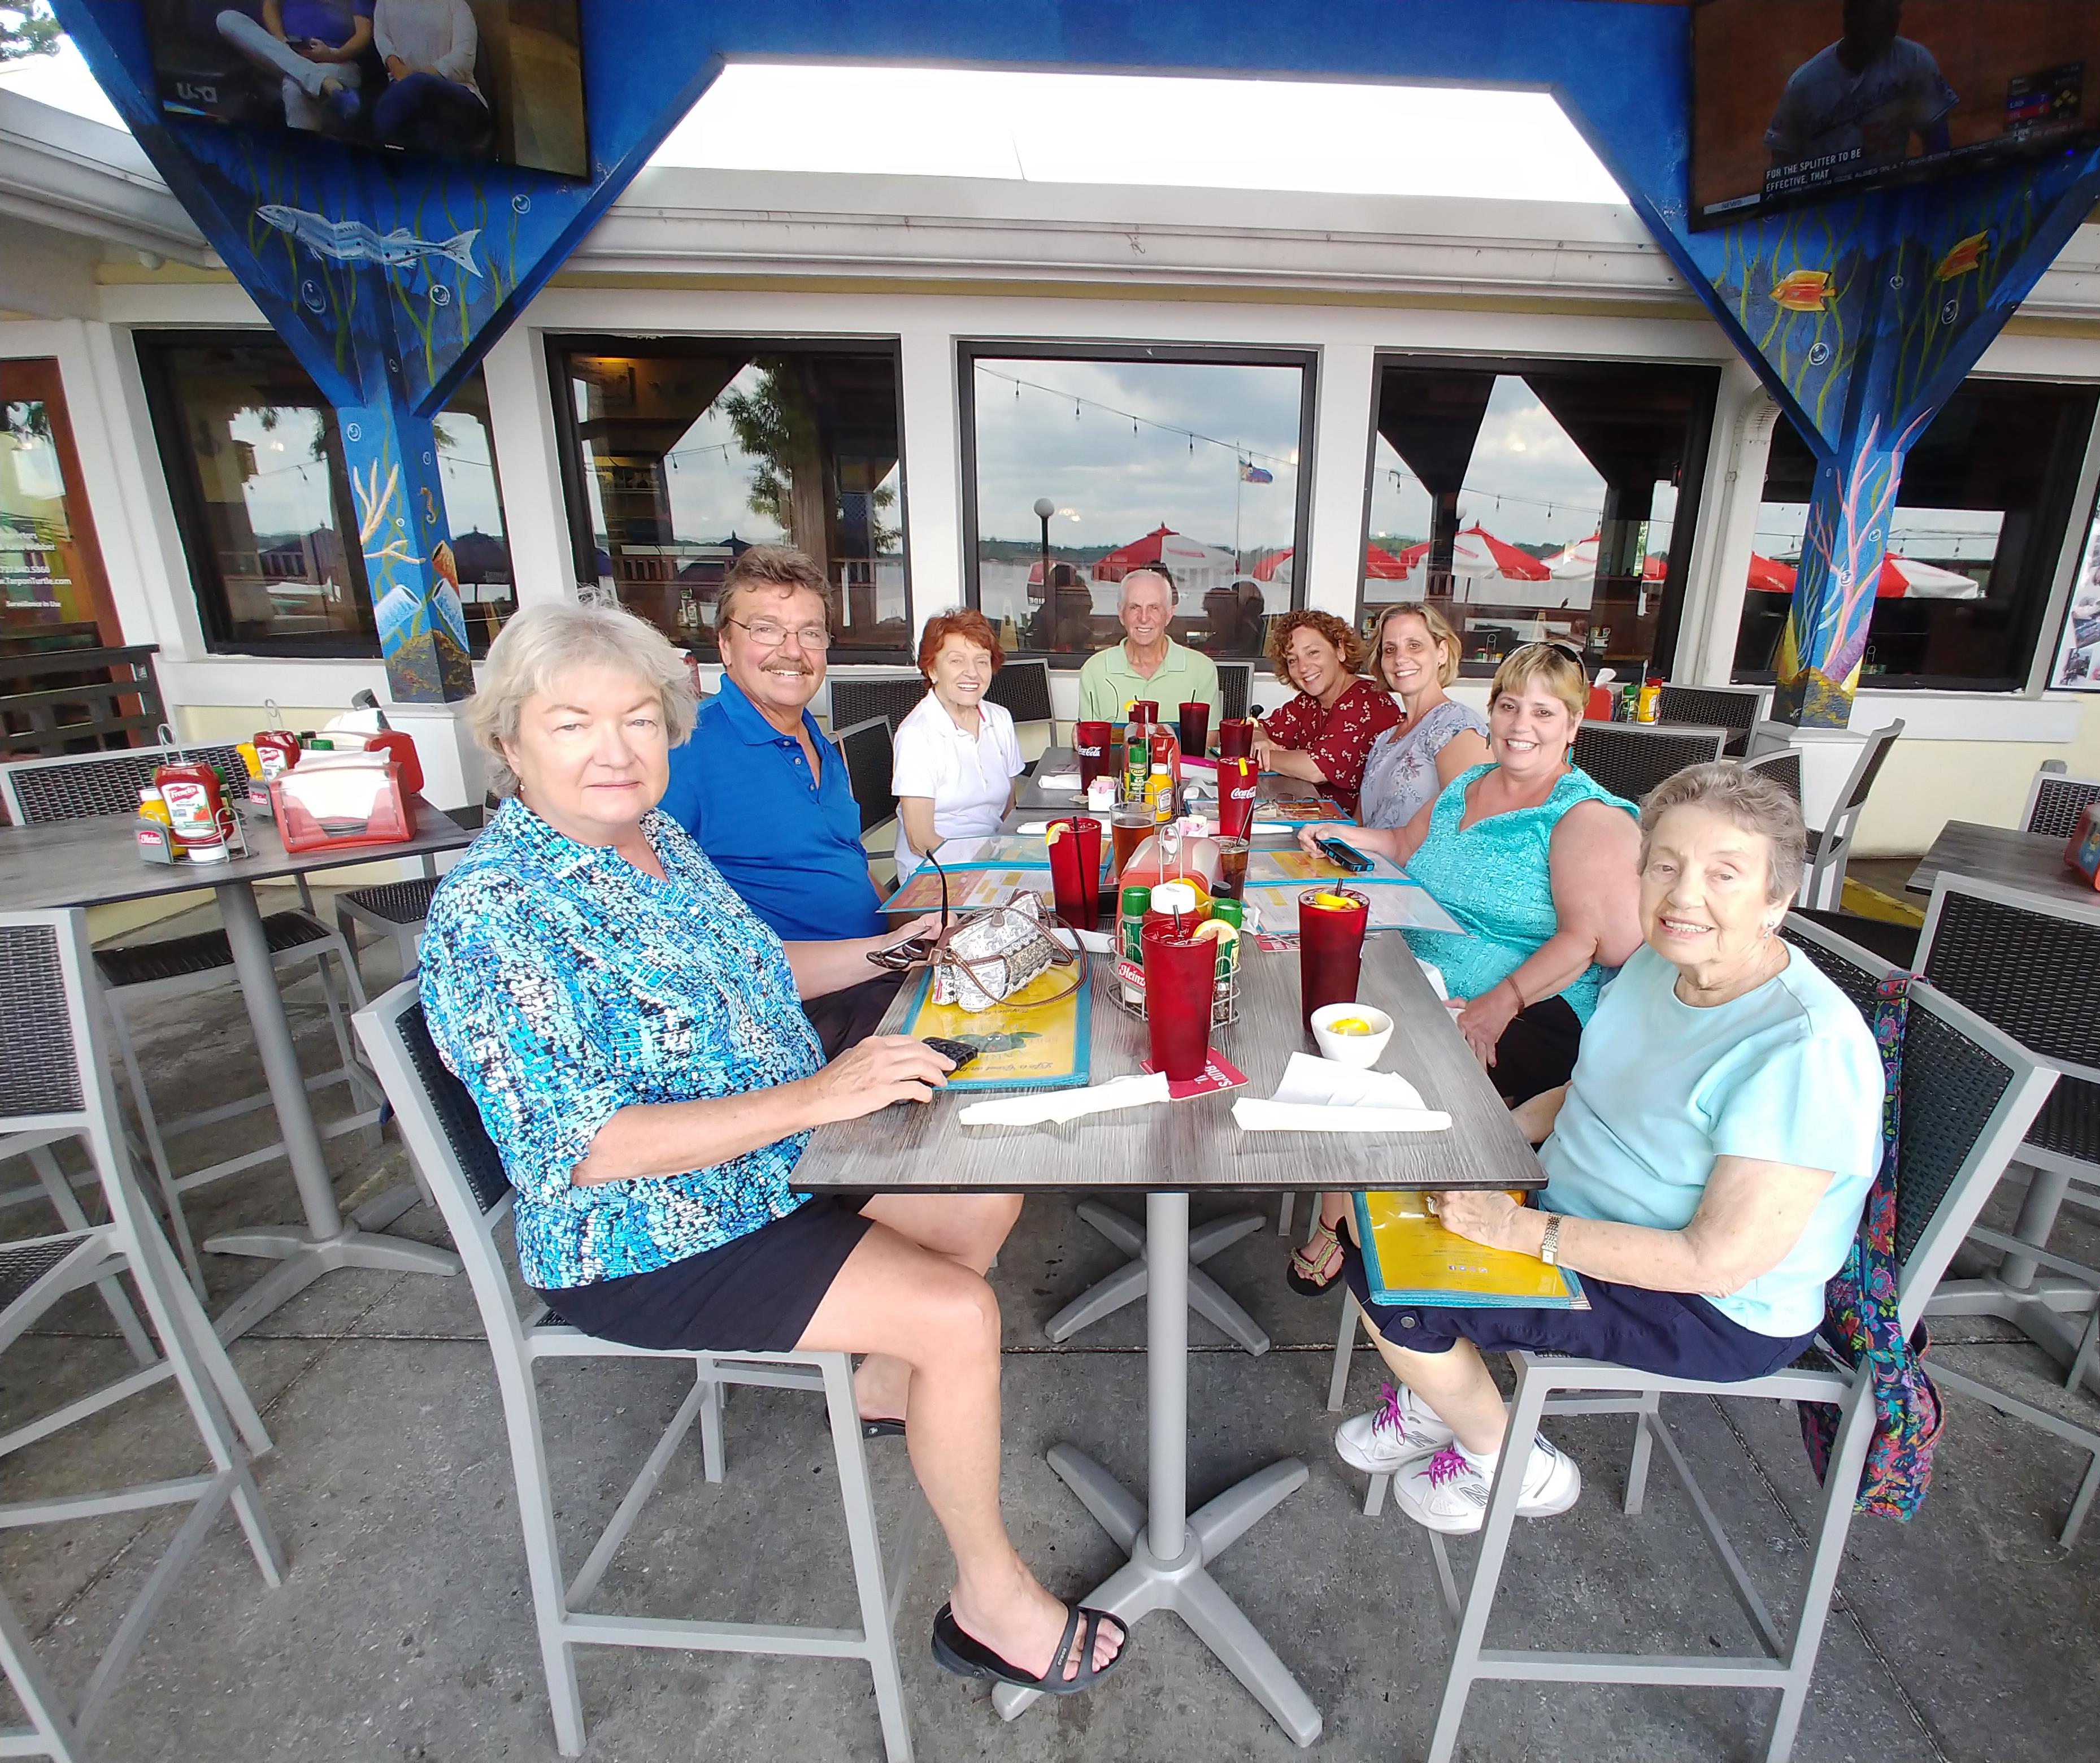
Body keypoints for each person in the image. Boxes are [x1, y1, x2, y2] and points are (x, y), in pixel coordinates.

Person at [419, 601, 1129, 1695]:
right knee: (960, 1312)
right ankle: (987, 1605)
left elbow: (756, 972)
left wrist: (887, 949)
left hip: (762, 1167)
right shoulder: (494, 911)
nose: (615, 749)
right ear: (510, 744)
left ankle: (887, 1385)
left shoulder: (655, 841)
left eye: (639, 721)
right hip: (646, 1234)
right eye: (572, 724)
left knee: (983, 1185)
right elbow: (583, 1151)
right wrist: (818, 1096)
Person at [1328, 761, 1884, 1534]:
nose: (1685, 896)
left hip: (1706, 1305)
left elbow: (1716, 1261)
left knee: (1401, 1285)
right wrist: (1489, 1137)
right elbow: (1589, 1089)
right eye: (1666, 866)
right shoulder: (1661, 963)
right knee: (1369, 1203)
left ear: (1778, 900)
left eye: (1725, 875)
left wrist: (1519, 1231)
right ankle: (1443, 1401)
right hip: (1574, 1206)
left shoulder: (1803, 1050)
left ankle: (1507, 1462)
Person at [1286, 641, 1638, 1297]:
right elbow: (1399, 844)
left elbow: (1588, 941)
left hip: (1531, 1006)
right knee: (1310, 999)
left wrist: (1499, 1002)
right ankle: (1348, 1194)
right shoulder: (1467, 785)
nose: (1520, 726)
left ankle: (1345, 1223)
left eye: (1542, 711)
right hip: (1422, 975)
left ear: (1573, 723)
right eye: (1508, 706)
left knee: (1371, 1057)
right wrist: (1333, 837)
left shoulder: (1583, 815)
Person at [660, 545, 908, 1057]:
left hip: (879, 973)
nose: (792, 651)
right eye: (767, 629)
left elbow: (849, 860)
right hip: (793, 1016)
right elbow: (669, 941)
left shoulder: (815, 739)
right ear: (725, 646)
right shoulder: (685, 754)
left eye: (810, 633)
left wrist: (912, 924)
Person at [893, 609, 1027, 884]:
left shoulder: (999, 719)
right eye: (956, 661)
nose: (972, 673)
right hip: (934, 873)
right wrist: (982, 868)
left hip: (992, 861)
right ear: (932, 669)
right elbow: (920, 841)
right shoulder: (917, 734)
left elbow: (1008, 809)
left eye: (982, 661)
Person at [1764, 0, 1956, 176]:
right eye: (1883, 15)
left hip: (1888, 191)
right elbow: (1782, 161)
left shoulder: (1913, 60)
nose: (1894, 22)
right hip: (1824, 200)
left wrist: (1935, 184)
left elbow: (1936, 135)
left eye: (1895, 12)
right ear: (1851, 21)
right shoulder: (1805, 84)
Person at [1251, 609, 1402, 817]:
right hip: (1313, 821)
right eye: (1293, 660)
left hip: (1355, 836)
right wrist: (1259, 737)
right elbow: (1255, 728)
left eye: (1313, 653)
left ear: (1340, 650)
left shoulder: (1367, 701)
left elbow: (1316, 768)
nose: (1303, 668)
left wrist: (1262, 755)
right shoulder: (1308, 703)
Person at [1355, 602, 1490, 831]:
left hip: (1413, 866)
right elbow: (1361, 824)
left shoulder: (1457, 727)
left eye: (1414, 646)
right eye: (1390, 650)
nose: (1400, 659)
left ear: (1442, 652)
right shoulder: (1384, 739)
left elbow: (1469, 827)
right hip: (1369, 863)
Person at [1075, 565, 1220, 722]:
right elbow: (1090, 740)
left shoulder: (1202, 669)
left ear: (1169, 614)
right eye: (1134, 607)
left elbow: (1208, 740)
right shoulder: (1094, 670)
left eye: (1154, 608)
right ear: (1121, 614)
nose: (1144, 618)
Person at [215, 0, 371, 132]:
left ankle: (303, 160)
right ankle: (324, 82)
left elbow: (363, 34)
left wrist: (332, 54)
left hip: (336, 61)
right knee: (227, 19)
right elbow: (270, 4)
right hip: (287, 53)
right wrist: (279, 39)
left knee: (294, 86)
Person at [371, 0, 493, 157]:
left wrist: (416, 78)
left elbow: (464, 58)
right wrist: (399, 70)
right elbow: (383, 40)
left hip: (458, 97)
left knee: (417, 85)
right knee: (425, 133)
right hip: (405, 98)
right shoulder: (386, 3)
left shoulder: (456, 5)